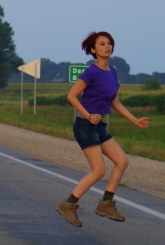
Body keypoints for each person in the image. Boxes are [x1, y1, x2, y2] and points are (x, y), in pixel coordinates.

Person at [57, 31, 150, 227]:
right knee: (98, 170)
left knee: (122, 161)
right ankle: (68, 205)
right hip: (85, 125)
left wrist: (135, 120)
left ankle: (106, 204)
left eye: (109, 43)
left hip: (99, 126)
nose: (107, 47)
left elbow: (115, 101)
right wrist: (88, 114)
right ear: (93, 49)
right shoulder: (91, 71)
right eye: (101, 44)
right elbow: (71, 96)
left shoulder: (113, 72)